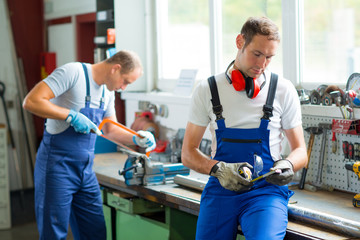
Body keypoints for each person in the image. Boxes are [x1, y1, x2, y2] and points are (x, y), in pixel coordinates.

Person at [181, 16, 307, 240]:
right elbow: (188, 153)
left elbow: (300, 152)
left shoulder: (283, 90)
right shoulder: (208, 90)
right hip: (221, 190)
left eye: (269, 57)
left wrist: (288, 163)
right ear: (240, 42)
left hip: (266, 193)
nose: (262, 64)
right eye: (257, 54)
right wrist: (218, 169)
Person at [23, 50, 156, 240]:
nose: (123, 88)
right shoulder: (73, 73)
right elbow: (31, 101)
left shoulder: (107, 92)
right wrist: (70, 115)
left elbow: (110, 129)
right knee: (53, 234)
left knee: (95, 233)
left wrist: (136, 138)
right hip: (56, 167)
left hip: (85, 171)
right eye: (125, 81)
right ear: (115, 69)